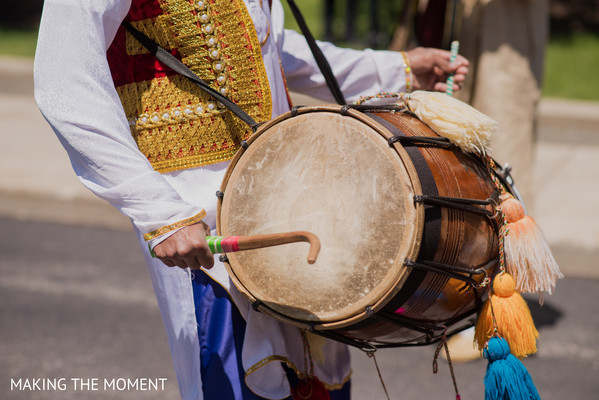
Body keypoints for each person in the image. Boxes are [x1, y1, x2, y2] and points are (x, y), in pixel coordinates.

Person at [34, 1, 469, 399]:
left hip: (288, 195)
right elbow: (65, 79)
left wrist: (394, 69)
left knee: (315, 370)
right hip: (199, 221)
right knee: (236, 380)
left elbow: (265, 41)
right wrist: (160, 212)